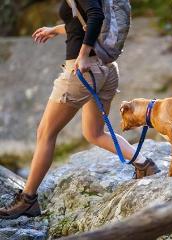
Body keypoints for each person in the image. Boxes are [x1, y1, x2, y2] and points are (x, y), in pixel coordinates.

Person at [0, 0, 160, 219]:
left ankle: (27, 200)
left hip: (83, 69)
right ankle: (144, 164)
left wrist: (83, 55)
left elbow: (95, 17)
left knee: (45, 133)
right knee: (94, 133)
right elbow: (81, 23)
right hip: (106, 68)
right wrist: (54, 30)